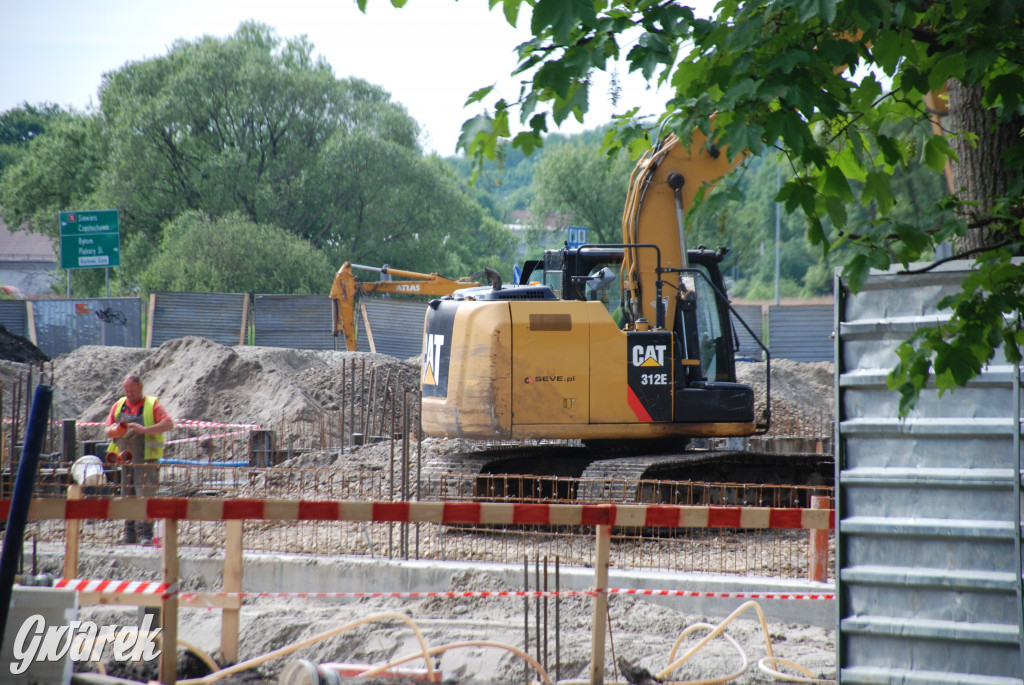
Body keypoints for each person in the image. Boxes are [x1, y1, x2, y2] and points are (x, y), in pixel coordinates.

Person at [104, 374, 174, 545]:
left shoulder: (151, 405)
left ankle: (145, 534)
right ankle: (129, 534)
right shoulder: (119, 405)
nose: (129, 394)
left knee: (146, 494)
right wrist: (114, 430)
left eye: (133, 391)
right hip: (125, 459)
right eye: (127, 391)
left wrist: (144, 430)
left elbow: (169, 423)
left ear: (141, 387)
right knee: (128, 494)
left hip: (146, 460)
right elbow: (107, 428)